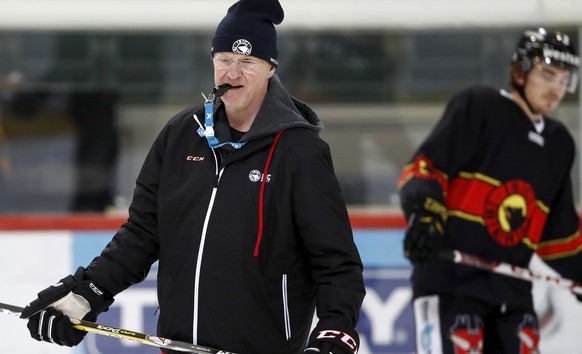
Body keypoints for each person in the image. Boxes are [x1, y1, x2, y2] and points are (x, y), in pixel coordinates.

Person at [19, 1, 366, 353]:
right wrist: (87, 292)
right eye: (224, 60)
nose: (233, 73)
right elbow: (142, 233)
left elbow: (336, 262)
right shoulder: (182, 134)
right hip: (179, 346)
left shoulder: (299, 151)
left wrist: (335, 333)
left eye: (247, 62)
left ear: (270, 68)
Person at [398, 27, 581, 354]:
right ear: (520, 71)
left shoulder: (559, 144)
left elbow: (558, 233)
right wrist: (426, 214)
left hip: (513, 293)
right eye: (548, 74)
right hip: (450, 283)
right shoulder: (479, 107)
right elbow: (425, 169)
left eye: (564, 80)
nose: (556, 88)